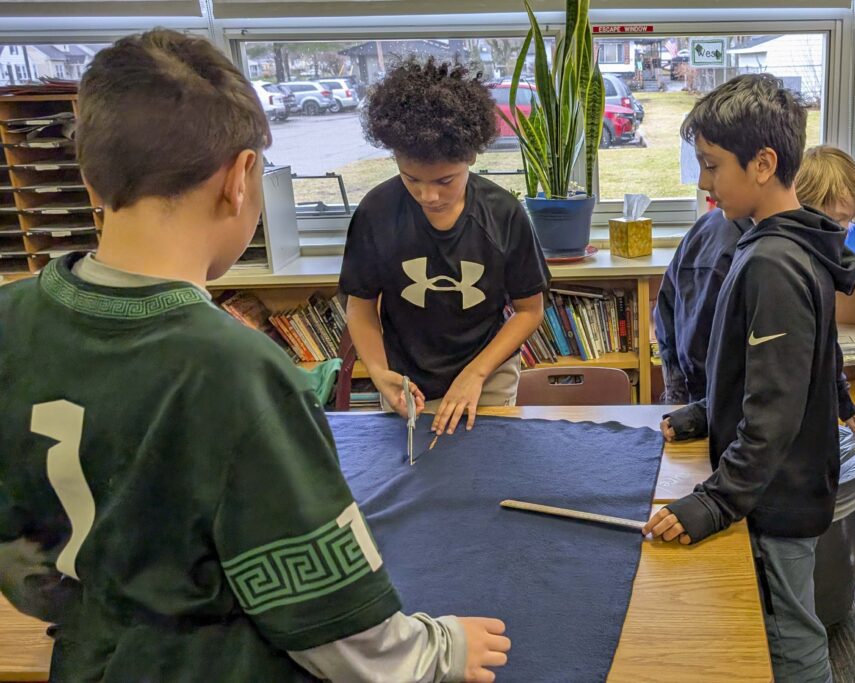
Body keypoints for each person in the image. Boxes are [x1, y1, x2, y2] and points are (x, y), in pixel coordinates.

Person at [0, 30, 509, 682]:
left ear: (91, 173)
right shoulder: (240, 372)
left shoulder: (12, 321)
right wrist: (440, 648)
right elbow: (331, 624)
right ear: (241, 180)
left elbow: (21, 557)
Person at [644, 74, 855, 683]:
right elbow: (769, 375)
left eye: (712, 166)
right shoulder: (777, 243)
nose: (704, 182)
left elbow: (775, 408)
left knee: (789, 628)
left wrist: (715, 501)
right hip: (776, 484)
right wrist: (707, 412)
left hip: (777, 495)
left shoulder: (773, 261)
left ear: (764, 163)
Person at [339, 58, 549, 436]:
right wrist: (378, 371)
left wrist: (476, 373)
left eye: (444, 180)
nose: (428, 195)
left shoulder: (503, 213)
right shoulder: (376, 213)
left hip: (487, 376)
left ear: (470, 157)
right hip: (406, 382)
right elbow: (361, 306)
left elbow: (529, 311)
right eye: (411, 179)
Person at [655, 143, 855, 433]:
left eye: (848, 223)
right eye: (837, 221)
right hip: (698, 368)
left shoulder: (805, 245)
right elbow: (702, 350)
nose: (839, 235)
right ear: (800, 205)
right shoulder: (735, 253)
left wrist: (842, 401)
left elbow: (820, 338)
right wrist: (698, 416)